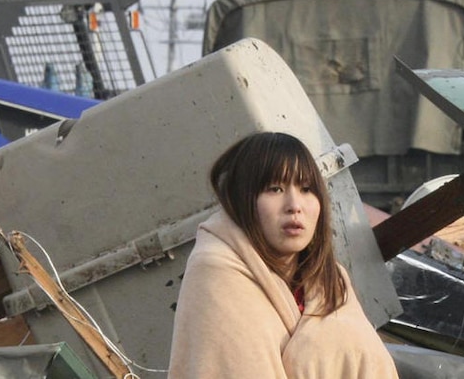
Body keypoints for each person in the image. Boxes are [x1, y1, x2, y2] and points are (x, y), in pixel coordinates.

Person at [168, 131, 399, 378]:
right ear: (243, 200)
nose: (294, 205)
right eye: (275, 189)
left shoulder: (329, 278)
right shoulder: (217, 272)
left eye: (307, 189)